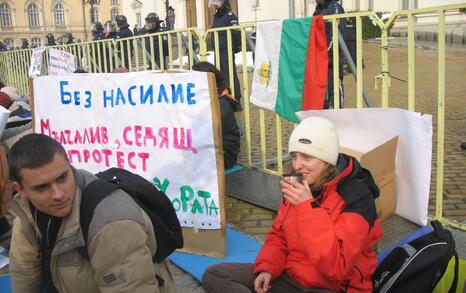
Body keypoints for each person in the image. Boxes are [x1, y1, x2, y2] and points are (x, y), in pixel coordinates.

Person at [202, 117, 383, 293]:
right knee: (216, 275)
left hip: (331, 287)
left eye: (306, 157)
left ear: (326, 160)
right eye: (294, 156)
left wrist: (307, 207)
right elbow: (279, 236)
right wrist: (267, 268)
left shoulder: (356, 198)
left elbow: (335, 268)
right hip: (293, 278)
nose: (297, 165)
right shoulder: (298, 185)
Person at [8, 134, 176, 292]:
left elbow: (132, 288)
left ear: (69, 165)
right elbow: (24, 275)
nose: (58, 194)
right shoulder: (26, 214)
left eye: (62, 178)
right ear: (20, 189)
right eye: (42, 187)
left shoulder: (111, 221)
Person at [192, 61, 240, 169]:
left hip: (224, 155)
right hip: (210, 150)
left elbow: (206, 130)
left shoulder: (222, 102)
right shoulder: (208, 97)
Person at [210, 0, 242, 111]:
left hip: (226, 49)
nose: (215, 3)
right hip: (218, 50)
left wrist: (235, 47)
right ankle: (225, 98)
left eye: (218, 1)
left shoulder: (229, 15)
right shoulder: (217, 16)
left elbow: (236, 32)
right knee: (220, 75)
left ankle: (236, 100)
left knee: (230, 74)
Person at [313, 0, 346, 109]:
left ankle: (339, 113)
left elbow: (338, 32)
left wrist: (329, 53)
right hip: (319, 58)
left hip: (332, 57)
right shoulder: (318, 9)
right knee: (322, 90)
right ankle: (324, 114)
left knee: (334, 86)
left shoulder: (335, 7)